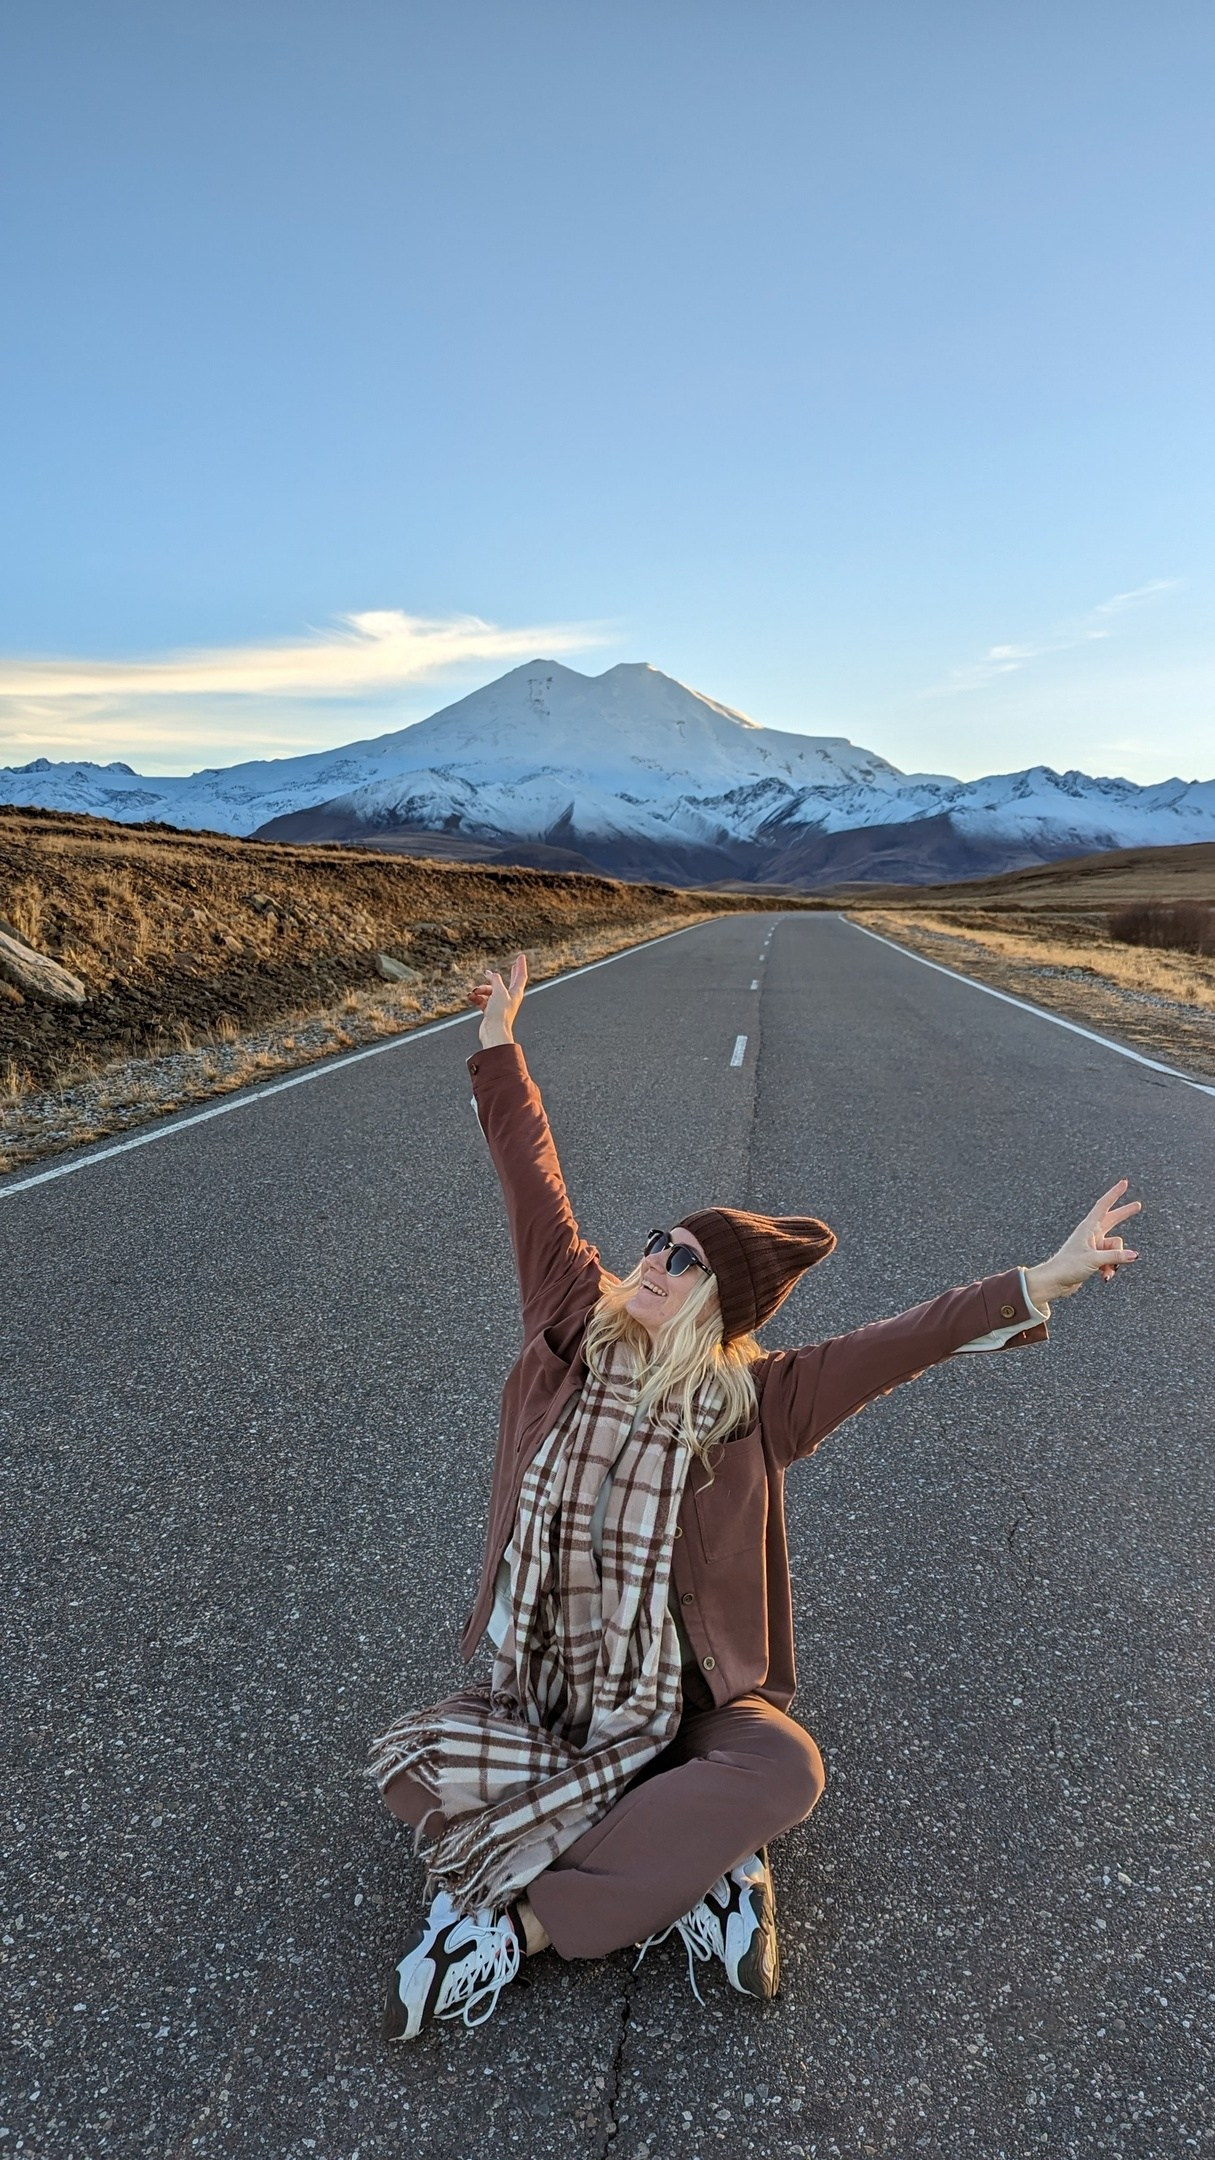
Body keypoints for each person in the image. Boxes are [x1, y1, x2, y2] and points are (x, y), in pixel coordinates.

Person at [369, 953, 1141, 2040]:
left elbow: (899, 1342)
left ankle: (517, 1926)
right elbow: (531, 1180)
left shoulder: (756, 1403)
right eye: (654, 1241)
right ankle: (700, 1868)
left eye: (682, 1260)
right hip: (547, 1697)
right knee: (414, 1778)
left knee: (784, 1765)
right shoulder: (566, 1324)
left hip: (679, 1711)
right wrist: (499, 1043)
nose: (653, 1260)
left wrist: (1034, 1283)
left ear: (717, 1304)